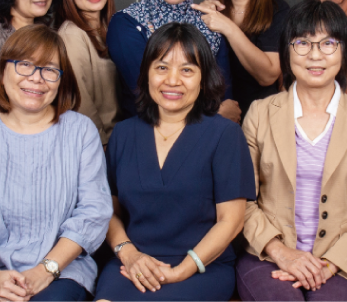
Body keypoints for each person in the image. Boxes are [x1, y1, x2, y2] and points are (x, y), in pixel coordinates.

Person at [238, 0, 347, 302]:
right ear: (287, 51)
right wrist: (281, 252)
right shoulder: (259, 113)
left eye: (328, 43)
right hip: (267, 254)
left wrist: (330, 264)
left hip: (338, 258)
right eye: (302, 43)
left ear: (345, 51)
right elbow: (242, 200)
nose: (315, 55)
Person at [0, 25, 112, 302]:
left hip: (62, 269)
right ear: (2, 72)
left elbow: (93, 213)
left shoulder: (81, 131)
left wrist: (46, 270)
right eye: (24, 65)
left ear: (61, 80)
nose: (36, 78)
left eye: (50, 69)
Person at [95, 23, 255, 302]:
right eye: (161, 67)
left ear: (204, 78)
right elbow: (108, 211)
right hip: (132, 263)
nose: (172, 80)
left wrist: (182, 270)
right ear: (146, 73)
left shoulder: (225, 135)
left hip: (201, 267)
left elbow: (231, 221)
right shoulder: (123, 134)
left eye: (187, 70)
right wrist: (129, 254)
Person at [107, 0, 238, 122]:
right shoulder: (127, 23)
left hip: (211, 137)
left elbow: (225, 98)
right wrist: (215, 118)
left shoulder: (209, 25)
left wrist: (219, 118)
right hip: (148, 132)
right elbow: (147, 97)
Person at [196, 0, 290, 116]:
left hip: (263, 119)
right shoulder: (208, 11)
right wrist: (198, 21)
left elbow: (268, 75)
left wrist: (228, 27)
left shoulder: (277, 10)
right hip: (215, 118)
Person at [56, 0, 119, 144]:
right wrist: (103, 148)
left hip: (122, 139)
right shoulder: (71, 35)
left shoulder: (113, 27)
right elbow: (81, 105)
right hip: (100, 145)